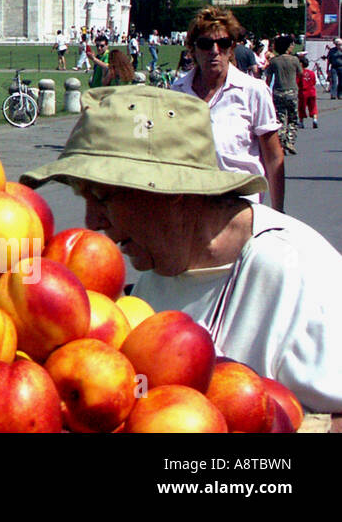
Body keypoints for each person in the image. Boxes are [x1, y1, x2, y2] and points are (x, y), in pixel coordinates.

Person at [20, 85, 342, 414]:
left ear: (173, 190)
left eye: (102, 197)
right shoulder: (156, 273)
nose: (91, 222)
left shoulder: (295, 271)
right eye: (82, 198)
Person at [170, 7, 284, 212]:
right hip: (192, 207)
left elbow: (274, 157)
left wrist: (278, 212)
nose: (214, 51)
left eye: (223, 43)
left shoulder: (253, 91)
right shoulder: (177, 91)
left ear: (231, 47)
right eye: (205, 44)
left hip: (241, 206)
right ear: (193, 49)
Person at [264, 35, 299, 155]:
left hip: (278, 92)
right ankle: (290, 141)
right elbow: (300, 73)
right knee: (293, 118)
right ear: (288, 46)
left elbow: (268, 79)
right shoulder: (294, 60)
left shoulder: (274, 61)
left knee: (280, 118)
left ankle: (281, 142)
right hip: (292, 91)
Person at [297, 52, 319, 129]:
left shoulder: (300, 73)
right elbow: (314, 82)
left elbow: (297, 82)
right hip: (312, 91)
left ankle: (301, 122)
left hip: (303, 92)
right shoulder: (312, 73)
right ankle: (315, 119)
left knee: (302, 108)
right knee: (313, 106)